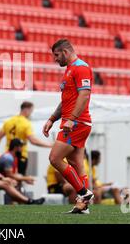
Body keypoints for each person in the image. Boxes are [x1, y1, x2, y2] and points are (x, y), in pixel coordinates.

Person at [42, 39, 94, 214]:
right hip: (71, 121)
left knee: (55, 158)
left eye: (56, 55)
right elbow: (66, 101)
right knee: (76, 163)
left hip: (76, 123)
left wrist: (72, 119)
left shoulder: (81, 67)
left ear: (65, 52)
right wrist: (52, 119)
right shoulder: (69, 71)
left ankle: (83, 194)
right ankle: (83, 206)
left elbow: (85, 94)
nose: (55, 59)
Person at [0, 101, 52, 175]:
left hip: (8, 155)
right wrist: (50, 145)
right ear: (26, 110)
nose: (31, 114)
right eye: (31, 111)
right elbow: (33, 141)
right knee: (18, 179)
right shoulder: (26, 123)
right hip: (21, 156)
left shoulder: (8, 121)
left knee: (8, 177)